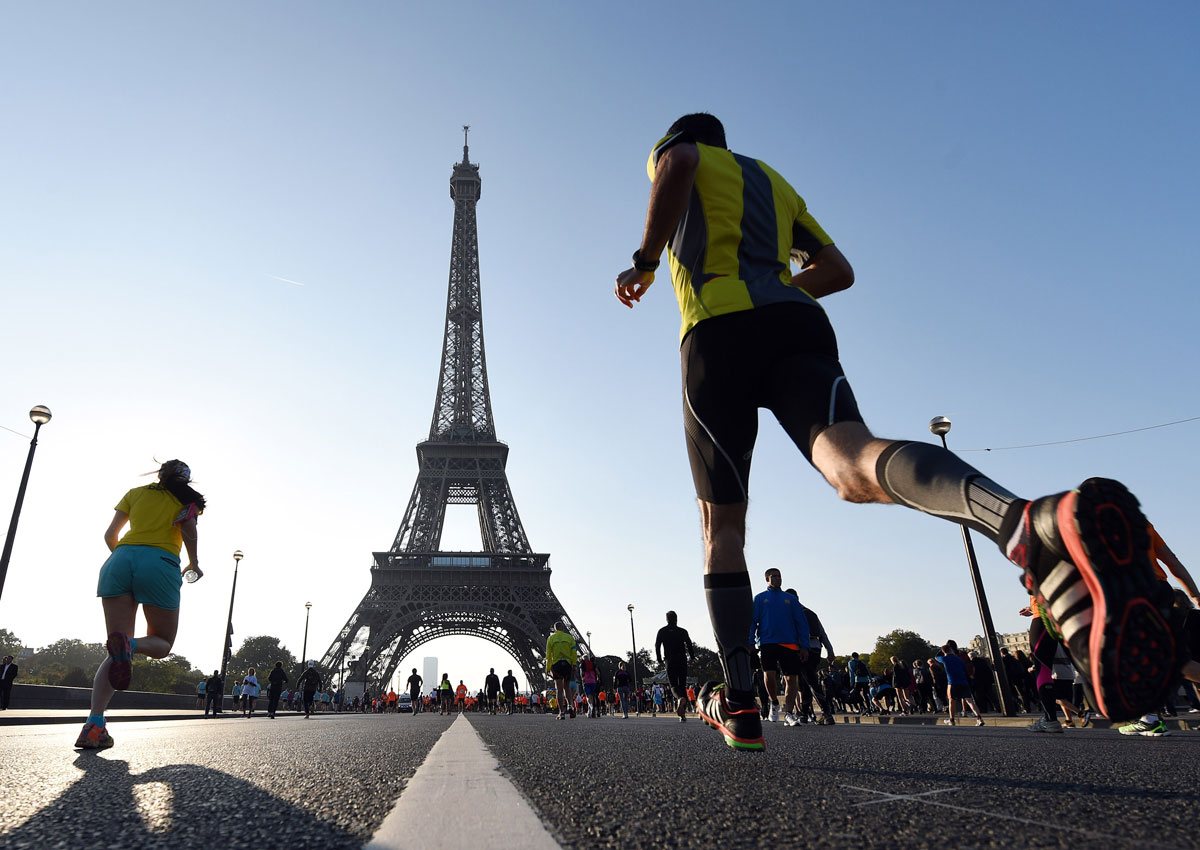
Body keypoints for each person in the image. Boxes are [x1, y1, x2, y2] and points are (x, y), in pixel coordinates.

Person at [613, 112, 1174, 749]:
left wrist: (644, 262)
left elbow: (679, 163)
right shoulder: (772, 181)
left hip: (716, 333)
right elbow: (838, 270)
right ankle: (1022, 520)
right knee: (853, 464)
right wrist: (776, 286)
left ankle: (740, 699)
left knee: (722, 528)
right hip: (795, 322)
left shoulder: (681, 152)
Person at [77, 460, 205, 750]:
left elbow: (110, 535)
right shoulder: (187, 500)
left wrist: (126, 558)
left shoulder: (135, 493)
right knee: (162, 642)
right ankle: (131, 645)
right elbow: (188, 529)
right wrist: (194, 563)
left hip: (118, 560)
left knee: (116, 649)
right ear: (186, 480)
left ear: (159, 475)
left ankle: (94, 725)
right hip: (160, 563)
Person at [750, 568, 809, 730]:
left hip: (789, 643)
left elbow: (801, 623)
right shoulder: (760, 598)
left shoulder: (790, 599)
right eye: (774, 576)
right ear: (767, 579)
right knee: (769, 675)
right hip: (768, 642)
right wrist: (751, 642)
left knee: (792, 679)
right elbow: (752, 622)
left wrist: (804, 645)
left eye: (779, 576)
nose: (777, 579)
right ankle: (774, 702)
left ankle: (789, 713)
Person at [655, 610, 696, 722]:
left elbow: (657, 645)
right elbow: (689, 644)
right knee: (682, 685)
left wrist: (659, 658)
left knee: (673, 685)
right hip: (682, 659)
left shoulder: (662, 631)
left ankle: (679, 698)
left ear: (667, 619)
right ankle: (683, 714)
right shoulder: (682, 631)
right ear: (676, 619)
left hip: (670, 660)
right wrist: (692, 657)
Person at [936, 645, 984, 727]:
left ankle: (952, 720)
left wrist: (942, 650)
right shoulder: (959, 660)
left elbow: (937, 657)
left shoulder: (945, 659)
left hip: (952, 682)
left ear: (944, 651)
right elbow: (965, 670)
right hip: (963, 682)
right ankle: (979, 718)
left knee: (952, 701)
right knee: (970, 701)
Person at [545, 621, 578, 720]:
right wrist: (574, 664)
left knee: (559, 689)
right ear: (563, 628)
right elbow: (574, 652)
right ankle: (570, 706)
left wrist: (547, 668)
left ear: (555, 629)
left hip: (557, 665)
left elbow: (548, 655)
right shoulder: (569, 637)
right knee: (567, 688)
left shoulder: (551, 638)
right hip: (567, 664)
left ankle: (561, 712)